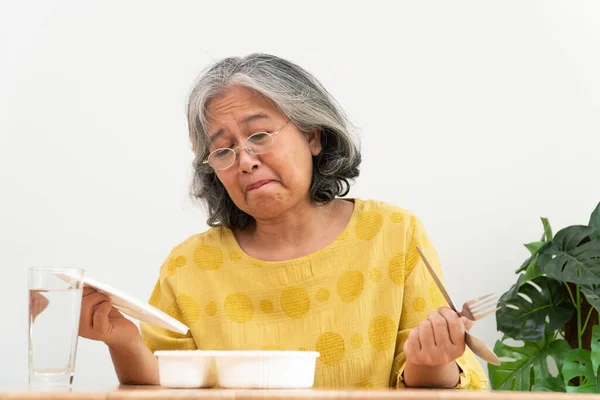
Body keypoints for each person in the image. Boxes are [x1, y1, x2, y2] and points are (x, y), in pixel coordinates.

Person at [79, 53, 488, 389]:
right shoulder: (188, 267)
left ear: (313, 136)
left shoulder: (393, 235)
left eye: (259, 135)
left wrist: (431, 360)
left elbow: (435, 385)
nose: (246, 160)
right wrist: (122, 340)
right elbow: (163, 391)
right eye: (223, 150)